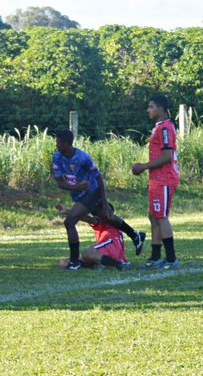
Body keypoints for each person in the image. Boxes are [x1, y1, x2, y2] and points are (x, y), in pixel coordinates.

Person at [52, 129, 145, 271]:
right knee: (105, 217)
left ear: (66, 143)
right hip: (79, 194)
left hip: (93, 192)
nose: (56, 144)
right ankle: (135, 235)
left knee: (69, 221)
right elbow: (59, 182)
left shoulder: (82, 158)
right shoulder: (57, 157)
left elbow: (99, 178)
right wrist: (76, 187)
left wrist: (104, 201)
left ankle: (74, 261)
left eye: (58, 142)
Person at [132, 94, 181, 270]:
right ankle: (154, 256)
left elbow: (167, 156)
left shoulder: (166, 128)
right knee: (153, 216)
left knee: (161, 217)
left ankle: (171, 258)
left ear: (161, 108)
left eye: (151, 106)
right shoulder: (158, 127)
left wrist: (143, 166)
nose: (148, 110)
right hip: (156, 178)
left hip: (165, 178)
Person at [56, 203, 129, 270]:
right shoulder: (116, 222)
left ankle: (118, 265)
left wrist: (68, 212)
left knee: (87, 253)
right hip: (112, 252)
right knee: (64, 262)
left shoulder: (105, 222)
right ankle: (100, 264)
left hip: (111, 247)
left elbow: (89, 219)